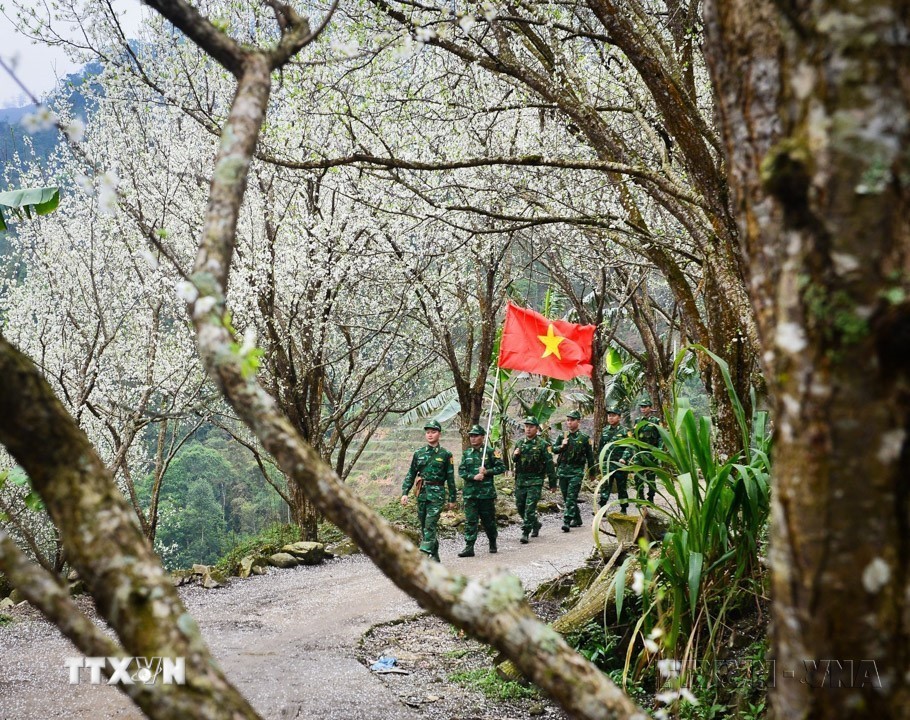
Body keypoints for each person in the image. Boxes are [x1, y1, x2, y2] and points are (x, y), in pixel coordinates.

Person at [400, 420, 456, 562]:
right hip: (422, 493)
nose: (430, 435)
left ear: (439, 434)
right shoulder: (418, 453)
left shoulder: (446, 454)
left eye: (433, 432)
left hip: (437, 494)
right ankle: (435, 557)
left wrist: (452, 499)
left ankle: (423, 557)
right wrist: (405, 492)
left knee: (430, 524)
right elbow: (411, 474)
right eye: (428, 432)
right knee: (424, 525)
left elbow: (450, 478)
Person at [457, 424, 506, 557]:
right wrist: (473, 476)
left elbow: (501, 468)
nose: (473, 438)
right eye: (471, 436)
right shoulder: (467, 453)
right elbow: (461, 471)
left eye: (476, 436)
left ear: (482, 437)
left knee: (488, 520)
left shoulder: (491, 452)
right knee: (470, 520)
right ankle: (469, 547)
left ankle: (492, 541)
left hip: (486, 494)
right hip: (470, 494)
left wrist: (487, 471)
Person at [512, 416, 557, 544]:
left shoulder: (543, 445)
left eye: (531, 427)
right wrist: (515, 455)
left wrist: (553, 483)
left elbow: (549, 464)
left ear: (537, 429)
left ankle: (525, 532)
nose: (528, 429)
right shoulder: (520, 443)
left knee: (529, 508)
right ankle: (536, 524)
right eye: (526, 426)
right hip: (521, 480)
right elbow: (514, 460)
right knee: (520, 507)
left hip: (536, 480)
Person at [552, 410, 595, 532]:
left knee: (571, 496)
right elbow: (554, 450)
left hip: (576, 471)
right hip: (563, 470)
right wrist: (561, 446)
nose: (569, 423)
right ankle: (577, 518)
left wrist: (592, 473)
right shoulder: (562, 436)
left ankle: (567, 520)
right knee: (566, 497)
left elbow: (590, 456)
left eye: (572, 420)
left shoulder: (584, 438)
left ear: (578, 421)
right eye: (568, 420)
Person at [597, 407, 631, 514]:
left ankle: (623, 508)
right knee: (605, 486)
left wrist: (624, 458)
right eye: (609, 416)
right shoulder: (605, 430)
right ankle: (602, 508)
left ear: (619, 417)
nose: (611, 418)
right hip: (607, 463)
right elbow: (601, 447)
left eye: (613, 415)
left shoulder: (625, 431)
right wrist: (600, 460)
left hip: (619, 463)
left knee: (621, 487)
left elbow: (629, 446)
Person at [632, 398, 662, 503]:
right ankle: (640, 499)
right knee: (638, 477)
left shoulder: (655, 421)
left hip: (651, 452)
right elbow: (634, 436)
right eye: (641, 407)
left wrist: (659, 451)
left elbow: (660, 437)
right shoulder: (638, 421)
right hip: (639, 453)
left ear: (650, 408)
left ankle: (651, 498)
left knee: (650, 478)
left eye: (645, 407)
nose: (643, 409)